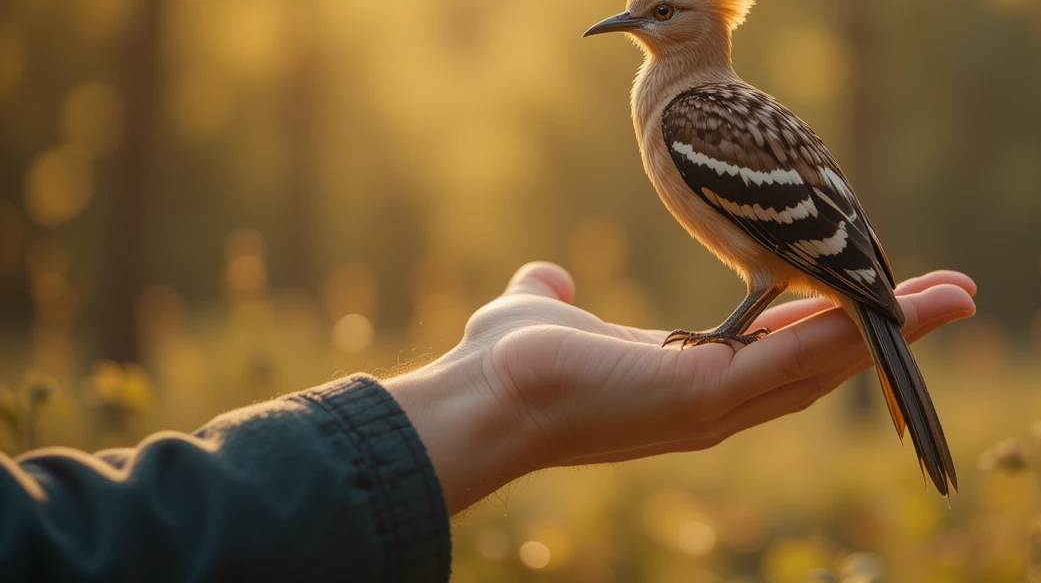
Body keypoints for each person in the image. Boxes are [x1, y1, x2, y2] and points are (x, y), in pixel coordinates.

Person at [0, 262, 976, 582]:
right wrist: (504, 396)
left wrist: (503, 396)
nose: (632, 28)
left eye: (658, 16)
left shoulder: (686, 111)